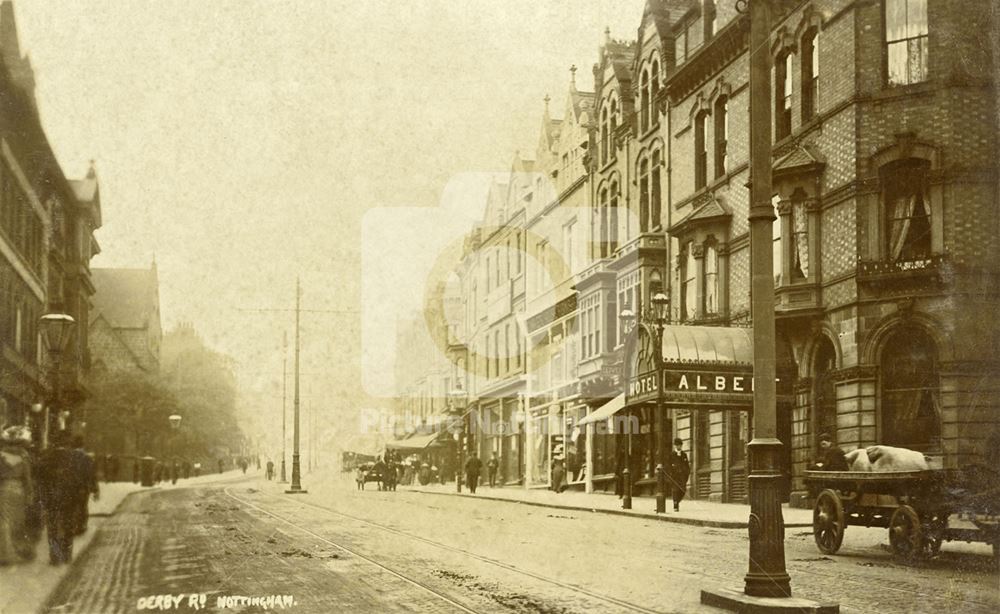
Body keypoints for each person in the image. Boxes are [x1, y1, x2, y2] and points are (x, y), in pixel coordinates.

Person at [37, 432, 85, 564]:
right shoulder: (73, 458)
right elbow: (79, 479)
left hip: (52, 497)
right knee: (68, 525)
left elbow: (41, 478)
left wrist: (44, 496)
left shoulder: (47, 457)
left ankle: (55, 556)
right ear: (67, 442)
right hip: (69, 497)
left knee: (52, 527)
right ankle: (66, 555)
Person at [0, 426, 35, 565]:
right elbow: (27, 478)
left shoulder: (1, 456)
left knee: (3, 521)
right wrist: (30, 494)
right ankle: (21, 550)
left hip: (3, 489)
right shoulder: (24, 456)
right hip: (18, 489)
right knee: (17, 521)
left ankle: (3, 554)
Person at [70, 436, 99, 536]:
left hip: (71, 486)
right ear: (83, 445)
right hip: (83, 486)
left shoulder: (69, 456)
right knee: (83, 505)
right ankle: (81, 526)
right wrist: (95, 490)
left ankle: (73, 525)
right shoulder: (87, 457)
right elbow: (92, 474)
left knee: (72, 505)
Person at [667, 438, 690, 512]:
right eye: (677, 445)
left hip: (683, 476)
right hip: (675, 476)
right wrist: (671, 474)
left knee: (683, 490)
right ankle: (675, 504)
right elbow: (669, 466)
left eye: (680, 445)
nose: (679, 447)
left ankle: (677, 501)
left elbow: (687, 466)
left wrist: (687, 474)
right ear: (675, 446)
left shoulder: (684, 455)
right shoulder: (672, 455)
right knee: (675, 490)